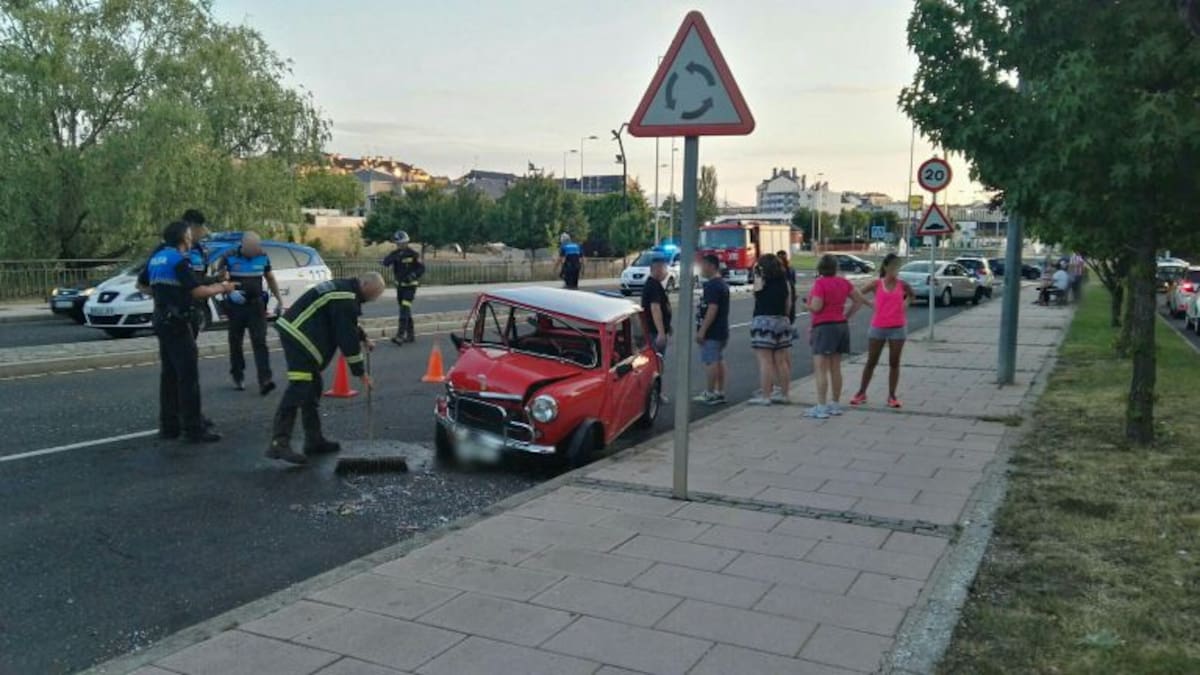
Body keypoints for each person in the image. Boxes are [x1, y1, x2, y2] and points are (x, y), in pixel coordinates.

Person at [267, 272, 386, 464]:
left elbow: (345, 321)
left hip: (298, 334)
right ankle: (278, 443)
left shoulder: (345, 289)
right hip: (299, 338)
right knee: (299, 388)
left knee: (312, 387)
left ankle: (314, 440)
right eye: (372, 295)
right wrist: (360, 372)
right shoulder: (345, 296)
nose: (371, 300)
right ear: (364, 284)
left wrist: (363, 337)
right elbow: (345, 335)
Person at [137, 221, 236, 443]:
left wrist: (164, 296)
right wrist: (223, 287)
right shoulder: (180, 260)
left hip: (162, 319)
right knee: (188, 376)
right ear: (183, 238)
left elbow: (142, 285)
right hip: (179, 321)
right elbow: (198, 291)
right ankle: (193, 429)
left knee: (169, 375)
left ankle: (168, 426)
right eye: (190, 235)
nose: (192, 238)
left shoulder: (157, 258)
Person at [214, 232, 283, 395]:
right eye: (250, 248)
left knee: (260, 341)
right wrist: (229, 291)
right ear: (243, 246)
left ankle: (265, 379)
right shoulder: (229, 256)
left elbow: (270, 277)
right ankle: (238, 375)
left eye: (256, 248)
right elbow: (220, 278)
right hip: (236, 305)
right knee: (235, 341)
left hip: (256, 305)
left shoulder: (263, 256)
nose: (254, 251)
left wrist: (279, 299)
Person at [805, 254, 868, 419]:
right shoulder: (843, 282)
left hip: (824, 327)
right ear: (835, 268)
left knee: (820, 369)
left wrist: (807, 306)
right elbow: (859, 299)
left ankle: (821, 407)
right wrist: (846, 316)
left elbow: (817, 307)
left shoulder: (820, 284)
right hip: (840, 325)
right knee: (835, 368)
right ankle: (835, 404)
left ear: (820, 268)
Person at [851, 253, 912, 409]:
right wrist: (869, 304)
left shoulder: (902, 284)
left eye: (897, 267)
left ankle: (892, 396)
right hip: (878, 327)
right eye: (892, 267)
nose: (895, 270)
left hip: (898, 328)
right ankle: (861, 393)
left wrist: (906, 304)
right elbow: (856, 293)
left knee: (894, 362)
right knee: (871, 361)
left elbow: (912, 295)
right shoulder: (876, 284)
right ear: (885, 267)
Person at [749, 253, 794, 405]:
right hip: (782, 320)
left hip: (763, 320)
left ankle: (766, 395)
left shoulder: (760, 279)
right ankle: (785, 393)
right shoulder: (784, 281)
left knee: (765, 361)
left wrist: (757, 273)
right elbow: (788, 303)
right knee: (781, 361)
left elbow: (756, 295)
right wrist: (785, 317)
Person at [693, 254, 730, 406]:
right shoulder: (721, 284)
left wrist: (702, 330)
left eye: (703, 265)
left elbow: (712, 309)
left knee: (711, 361)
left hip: (713, 331)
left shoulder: (713, 286)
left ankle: (710, 392)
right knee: (718, 360)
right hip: (721, 330)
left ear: (711, 266)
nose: (701, 269)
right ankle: (719, 391)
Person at [382, 230, 425, 346]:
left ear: (406, 242)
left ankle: (400, 335)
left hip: (410, 286)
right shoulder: (395, 253)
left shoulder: (413, 254)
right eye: (399, 243)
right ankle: (410, 335)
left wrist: (414, 275)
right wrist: (390, 259)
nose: (401, 245)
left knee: (404, 309)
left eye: (403, 243)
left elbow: (421, 268)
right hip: (400, 287)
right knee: (406, 310)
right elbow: (385, 262)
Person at [181, 209, 217, 338]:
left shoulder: (199, 249)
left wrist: (216, 278)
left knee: (190, 350)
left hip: (196, 307)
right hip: (179, 309)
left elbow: (199, 278)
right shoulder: (175, 249)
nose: (203, 232)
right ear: (191, 227)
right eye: (201, 228)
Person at [641, 253, 672, 357]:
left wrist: (667, 326)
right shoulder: (653, 286)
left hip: (655, 331)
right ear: (658, 268)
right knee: (657, 361)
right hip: (654, 332)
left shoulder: (655, 284)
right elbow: (655, 308)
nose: (666, 272)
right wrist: (661, 332)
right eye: (665, 268)